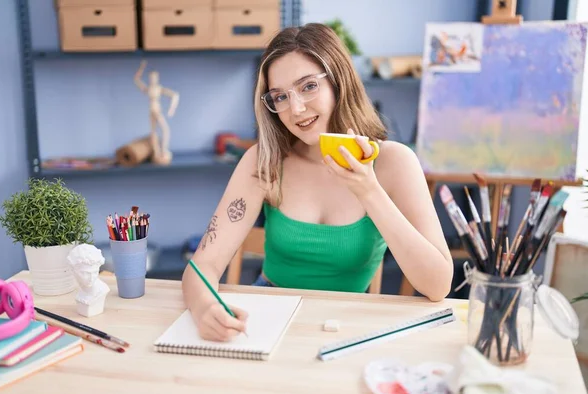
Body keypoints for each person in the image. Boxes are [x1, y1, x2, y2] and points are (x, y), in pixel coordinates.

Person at [182, 23, 454, 342]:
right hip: (267, 319)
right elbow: (202, 266)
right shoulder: (265, 160)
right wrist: (204, 310)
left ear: (339, 79)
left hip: (346, 325)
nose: (296, 109)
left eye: (308, 86)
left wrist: (369, 191)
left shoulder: (394, 162)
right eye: (280, 96)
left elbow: (438, 286)